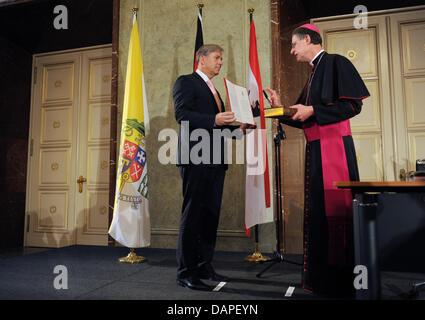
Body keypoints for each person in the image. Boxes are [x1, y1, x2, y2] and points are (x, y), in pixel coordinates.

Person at [266, 24, 370, 297]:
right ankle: (322, 281)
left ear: (309, 39)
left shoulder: (337, 62)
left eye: (294, 44)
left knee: (336, 216)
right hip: (316, 150)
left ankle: (339, 283)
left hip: (334, 150)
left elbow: (353, 106)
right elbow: (303, 116)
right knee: (319, 217)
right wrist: (280, 107)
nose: (291, 51)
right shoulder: (313, 73)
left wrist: (313, 109)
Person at [173, 44, 252, 291]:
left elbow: (216, 127)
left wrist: (237, 130)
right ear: (201, 59)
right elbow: (182, 115)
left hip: (216, 160)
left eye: (221, 58)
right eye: (217, 58)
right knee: (193, 215)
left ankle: (204, 266)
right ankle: (186, 272)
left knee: (209, 217)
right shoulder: (186, 81)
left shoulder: (214, 89)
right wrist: (214, 119)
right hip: (195, 158)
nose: (220, 62)